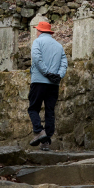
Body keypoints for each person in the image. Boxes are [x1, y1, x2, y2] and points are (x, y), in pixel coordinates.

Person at [28, 20, 68, 151]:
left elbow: (37, 58)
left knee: (33, 108)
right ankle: (46, 142)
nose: (36, 32)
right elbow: (64, 63)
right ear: (49, 32)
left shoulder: (37, 42)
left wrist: (47, 73)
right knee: (50, 112)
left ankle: (39, 131)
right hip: (54, 84)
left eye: (37, 30)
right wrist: (58, 75)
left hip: (39, 81)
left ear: (40, 31)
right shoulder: (58, 46)